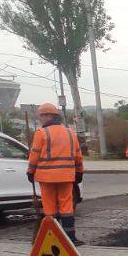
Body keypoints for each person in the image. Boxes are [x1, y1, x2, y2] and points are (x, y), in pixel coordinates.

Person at [28, 103, 85, 245]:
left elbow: (34, 155)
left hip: (46, 177)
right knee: (66, 207)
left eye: (42, 116)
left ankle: (53, 238)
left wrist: (30, 171)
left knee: (50, 208)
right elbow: (78, 155)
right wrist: (79, 172)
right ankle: (70, 237)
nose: (41, 119)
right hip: (66, 176)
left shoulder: (41, 133)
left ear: (48, 116)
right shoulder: (70, 133)